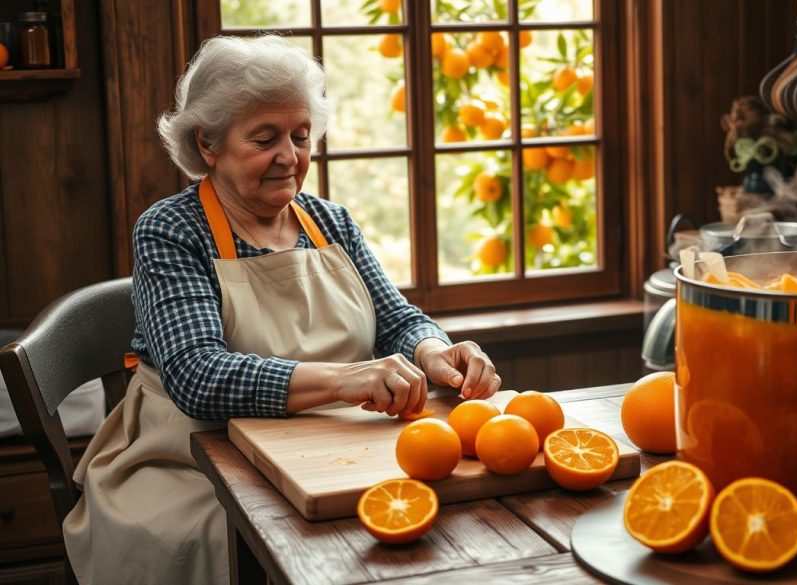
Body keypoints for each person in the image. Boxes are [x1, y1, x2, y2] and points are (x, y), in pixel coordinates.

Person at [62, 35, 502, 585]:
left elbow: (396, 319)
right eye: (265, 138)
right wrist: (348, 380)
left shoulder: (332, 223)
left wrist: (436, 351)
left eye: (300, 135)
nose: (290, 157)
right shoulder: (171, 230)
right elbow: (198, 377)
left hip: (330, 447)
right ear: (208, 143)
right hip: (194, 463)